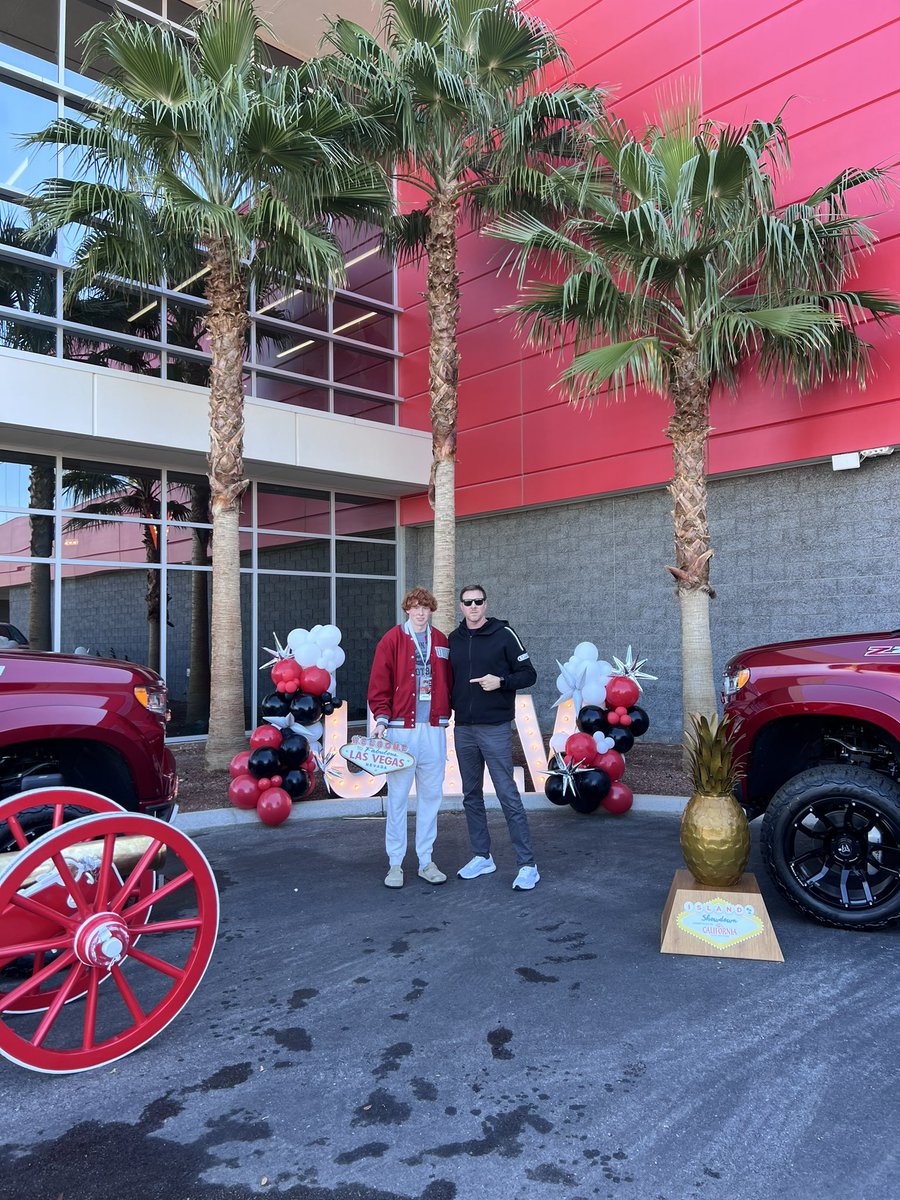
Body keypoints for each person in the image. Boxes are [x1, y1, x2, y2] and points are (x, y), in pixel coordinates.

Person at [448, 584, 540, 890]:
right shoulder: (454, 640)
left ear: (486, 604)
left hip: (495, 727)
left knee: (507, 795)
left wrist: (500, 681)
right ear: (460, 606)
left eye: (478, 601)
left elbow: (529, 674)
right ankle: (482, 856)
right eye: (468, 602)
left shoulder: (504, 634)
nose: (473, 606)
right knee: (471, 795)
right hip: (463, 728)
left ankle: (527, 865)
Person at [368, 587, 451, 889]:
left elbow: (450, 681)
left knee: (431, 798)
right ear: (407, 609)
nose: (420, 612)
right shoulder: (392, 640)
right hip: (401, 730)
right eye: (415, 607)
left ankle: (426, 860)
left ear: (431, 610)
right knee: (398, 799)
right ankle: (395, 864)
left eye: (425, 607)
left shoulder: (441, 640)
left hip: (433, 730)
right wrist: (381, 719)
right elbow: (378, 684)